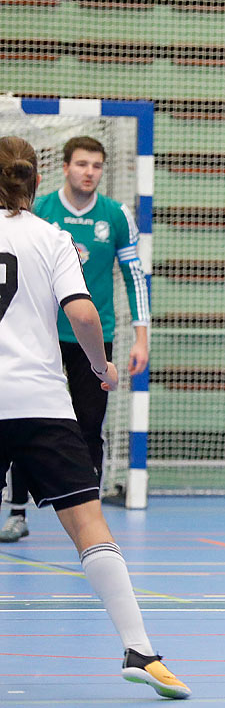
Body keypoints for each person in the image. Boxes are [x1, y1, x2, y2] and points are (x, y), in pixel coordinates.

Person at [0, 135, 188, 699]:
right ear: (38, 182)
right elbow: (82, 311)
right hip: (42, 402)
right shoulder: (52, 237)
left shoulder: (78, 225)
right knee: (90, 529)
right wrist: (99, 363)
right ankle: (140, 650)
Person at [3, 135, 149, 541]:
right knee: (24, 418)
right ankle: (18, 511)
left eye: (97, 165)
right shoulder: (41, 212)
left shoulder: (116, 215)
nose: (90, 172)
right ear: (64, 168)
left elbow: (135, 276)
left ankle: (90, 512)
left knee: (88, 424)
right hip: (43, 335)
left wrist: (142, 334)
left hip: (95, 334)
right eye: (82, 164)